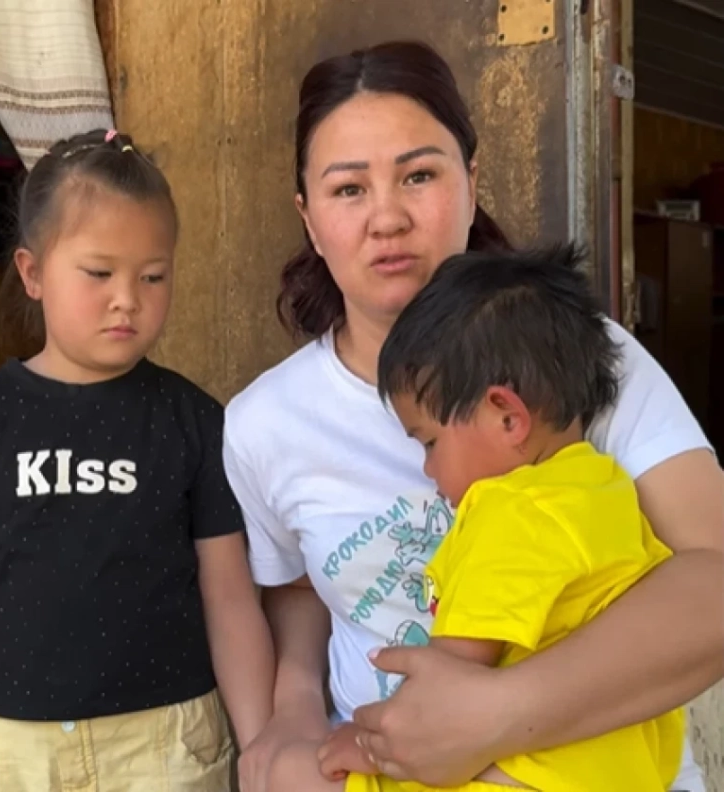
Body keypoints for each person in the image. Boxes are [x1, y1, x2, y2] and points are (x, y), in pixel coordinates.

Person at [222, 40, 723, 792]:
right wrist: (293, 707)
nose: (387, 218)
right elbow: (296, 586)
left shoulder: (578, 357)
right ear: (310, 220)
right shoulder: (265, 423)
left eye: (419, 175)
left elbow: (714, 574)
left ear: (472, 181)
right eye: (348, 189)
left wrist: (499, 711)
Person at [0, 129, 274, 792]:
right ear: (33, 273)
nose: (128, 298)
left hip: (169, 749)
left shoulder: (196, 422)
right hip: (10, 755)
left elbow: (231, 597)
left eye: (153, 276)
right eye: (99, 273)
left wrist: (265, 751)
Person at [317, 244, 685, 792]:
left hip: (533, 774)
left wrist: (366, 745)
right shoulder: (605, 486)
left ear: (508, 417)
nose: (428, 470)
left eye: (429, 442)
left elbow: (440, 700)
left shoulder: (511, 514)